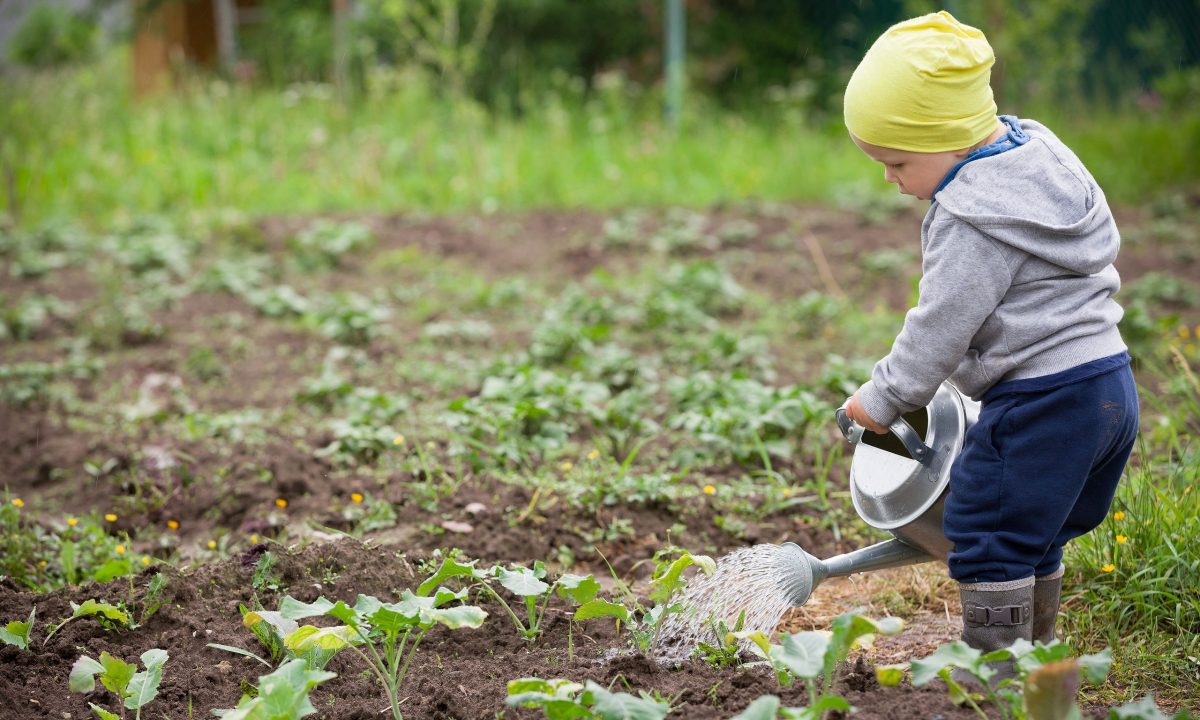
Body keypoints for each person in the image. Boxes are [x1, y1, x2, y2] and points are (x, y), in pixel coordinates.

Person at [838, 11, 1139, 680]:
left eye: (897, 161)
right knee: (1034, 530)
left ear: (947, 140)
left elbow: (940, 325)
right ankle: (1037, 657)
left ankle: (995, 676)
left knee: (985, 530)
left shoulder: (971, 216)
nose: (891, 178)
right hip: (1108, 385)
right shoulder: (1039, 157)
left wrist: (882, 401)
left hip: (1044, 399)